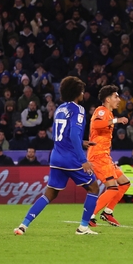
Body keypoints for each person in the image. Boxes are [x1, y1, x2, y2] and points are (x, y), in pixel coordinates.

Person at [14, 77, 101, 235]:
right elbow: (73, 135)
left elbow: (59, 134)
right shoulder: (78, 109)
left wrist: (81, 142)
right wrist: (83, 160)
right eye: (82, 90)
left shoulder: (60, 108)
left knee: (49, 194)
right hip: (71, 158)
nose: (83, 93)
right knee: (94, 188)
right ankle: (83, 227)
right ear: (77, 92)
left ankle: (23, 225)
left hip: (56, 156)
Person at [87, 85, 131, 227]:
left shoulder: (109, 113)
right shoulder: (101, 111)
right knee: (112, 187)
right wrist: (117, 120)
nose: (118, 99)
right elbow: (97, 124)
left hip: (105, 156)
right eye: (116, 97)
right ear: (107, 99)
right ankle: (90, 216)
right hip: (98, 156)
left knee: (124, 183)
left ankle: (108, 212)